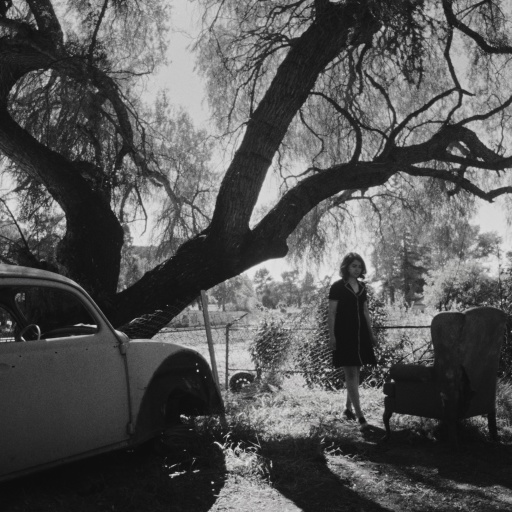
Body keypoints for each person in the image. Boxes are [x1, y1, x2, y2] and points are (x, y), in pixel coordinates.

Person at [328, 252, 378, 431]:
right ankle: (360, 416)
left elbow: (365, 312)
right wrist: (332, 335)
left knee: (356, 371)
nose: (357, 269)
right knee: (351, 374)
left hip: (361, 335)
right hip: (344, 334)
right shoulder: (337, 287)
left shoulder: (363, 287)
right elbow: (332, 313)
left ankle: (348, 409)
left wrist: (371, 334)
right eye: (353, 266)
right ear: (346, 267)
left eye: (359, 266)